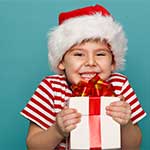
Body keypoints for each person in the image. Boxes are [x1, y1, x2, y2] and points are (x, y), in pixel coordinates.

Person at [21, 4, 146, 150]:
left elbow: (134, 146)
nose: (91, 62)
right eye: (79, 54)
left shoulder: (120, 85)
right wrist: (57, 131)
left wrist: (126, 124)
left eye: (100, 54)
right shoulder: (51, 88)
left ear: (113, 62)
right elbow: (33, 145)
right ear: (61, 61)